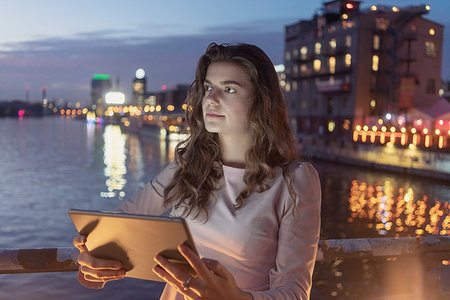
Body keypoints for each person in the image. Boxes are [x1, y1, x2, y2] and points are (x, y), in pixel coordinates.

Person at [74, 42, 321, 300]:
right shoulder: (188, 167)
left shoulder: (295, 181)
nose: (211, 99)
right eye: (208, 88)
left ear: (262, 100)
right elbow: (119, 225)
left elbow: (294, 292)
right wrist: (93, 263)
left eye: (229, 89)